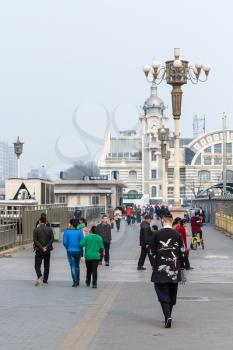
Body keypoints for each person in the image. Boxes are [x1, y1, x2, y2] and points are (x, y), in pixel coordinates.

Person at [151, 213, 185, 328]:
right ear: (171, 221)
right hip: (174, 268)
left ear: (163, 221)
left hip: (160, 268)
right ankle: (169, 315)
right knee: (172, 293)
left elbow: (152, 251)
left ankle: (167, 316)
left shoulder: (157, 234)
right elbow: (182, 251)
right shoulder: (177, 234)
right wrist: (182, 264)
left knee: (161, 292)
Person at [33, 216, 54, 286]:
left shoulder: (36, 230)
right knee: (46, 265)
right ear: (46, 222)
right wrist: (46, 247)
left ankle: (39, 276)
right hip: (47, 250)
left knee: (37, 265)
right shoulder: (49, 229)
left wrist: (41, 247)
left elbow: (35, 240)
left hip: (39, 250)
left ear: (39, 221)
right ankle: (45, 280)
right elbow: (52, 239)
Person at [63, 219, 84, 287]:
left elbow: (65, 242)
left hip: (70, 251)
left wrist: (67, 248)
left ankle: (75, 281)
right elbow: (82, 242)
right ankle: (78, 280)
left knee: (72, 266)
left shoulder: (66, 232)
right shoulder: (80, 232)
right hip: (78, 251)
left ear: (71, 224)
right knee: (77, 265)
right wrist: (80, 248)